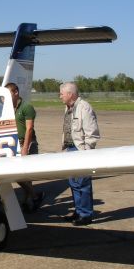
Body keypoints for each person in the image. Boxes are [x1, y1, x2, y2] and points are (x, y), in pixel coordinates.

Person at [59, 82, 100, 225]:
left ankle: (86, 214)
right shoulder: (68, 108)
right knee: (74, 183)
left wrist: (86, 152)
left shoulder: (84, 108)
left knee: (83, 183)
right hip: (69, 149)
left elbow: (92, 134)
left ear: (70, 94)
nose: (60, 97)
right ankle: (78, 211)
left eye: (62, 94)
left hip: (80, 151)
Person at [5, 83, 44, 211]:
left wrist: (25, 148)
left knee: (25, 176)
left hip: (28, 143)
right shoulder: (10, 108)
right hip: (15, 144)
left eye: (8, 93)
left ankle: (27, 202)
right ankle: (34, 197)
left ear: (16, 92)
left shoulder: (27, 107)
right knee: (20, 176)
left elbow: (29, 129)